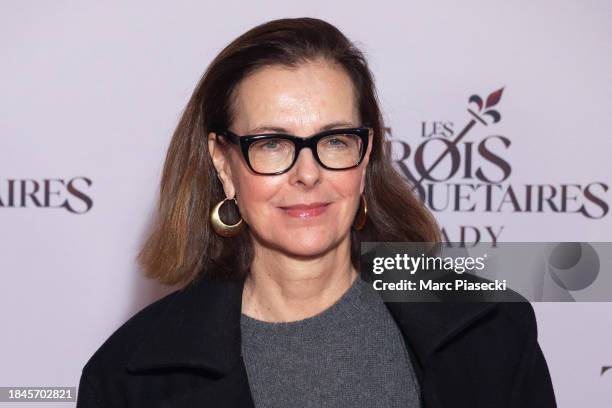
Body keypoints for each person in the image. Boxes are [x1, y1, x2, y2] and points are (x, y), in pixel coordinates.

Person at [76, 17, 557, 407]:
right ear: (224, 163)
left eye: (334, 140)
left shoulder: (490, 327)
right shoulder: (128, 378)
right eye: (271, 143)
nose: (308, 174)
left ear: (365, 156)